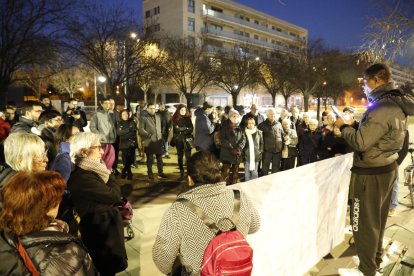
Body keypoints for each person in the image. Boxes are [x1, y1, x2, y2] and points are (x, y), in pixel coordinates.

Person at [336, 63, 414, 276]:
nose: (363, 86)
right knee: (377, 221)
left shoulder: (382, 107)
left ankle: (367, 270)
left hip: (370, 173)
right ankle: (374, 261)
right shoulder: (396, 102)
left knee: (362, 224)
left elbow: (361, 142)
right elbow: (400, 141)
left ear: (377, 80)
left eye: (365, 81)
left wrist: (343, 127)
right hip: (386, 168)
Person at [152, 151, 261, 275]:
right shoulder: (239, 196)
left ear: (190, 180)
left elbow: (162, 260)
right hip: (235, 270)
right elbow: (255, 226)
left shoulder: (178, 210)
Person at [0, 171, 97, 275]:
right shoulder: (63, 253)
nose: (59, 203)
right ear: (43, 208)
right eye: (56, 200)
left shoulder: (11, 233)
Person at [68, 132, 127, 275]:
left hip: (105, 228)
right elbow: (114, 195)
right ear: (84, 151)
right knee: (106, 269)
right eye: (98, 147)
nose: (102, 151)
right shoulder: (83, 176)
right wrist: (110, 173)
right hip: (101, 233)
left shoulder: (94, 170)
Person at [139, 102, 167, 180]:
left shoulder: (158, 117)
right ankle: (150, 173)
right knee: (150, 159)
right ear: (147, 109)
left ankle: (160, 173)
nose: (152, 110)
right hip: (149, 141)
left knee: (160, 158)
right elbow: (141, 129)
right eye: (150, 108)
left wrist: (161, 135)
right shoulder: (143, 117)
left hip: (158, 140)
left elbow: (160, 127)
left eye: (154, 108)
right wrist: (148, 135)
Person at [89, 98, 117, 170]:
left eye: (109, 103)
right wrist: (100, 136)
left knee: (110, 160)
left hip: (111, 141)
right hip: (102, 142)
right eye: (106, 103)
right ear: (101, 104)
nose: (108, 105)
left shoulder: (110, 114)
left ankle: (109, 173)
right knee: (103, 160)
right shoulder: (97, 114)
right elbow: (92, 127)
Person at [219, 109, 245, 184]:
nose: (235, 118)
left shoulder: (240, 127)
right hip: (227, 153)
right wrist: (231, 148)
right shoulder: (224, 126)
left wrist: (239, 148)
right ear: (230, 117)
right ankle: (222, 187)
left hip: (237, 154)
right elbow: (223, 139)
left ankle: (234, 187)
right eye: (233, 116)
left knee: (235, 173)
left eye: (237, 116)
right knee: (225, 172)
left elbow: (243, 139)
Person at [258, 108, 283, 175]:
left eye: (274, 114)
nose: (273, 115)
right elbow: (259, 139)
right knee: (265, 169)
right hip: (267, 151)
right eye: (271, 114)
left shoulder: (279, 124)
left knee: (276, 170)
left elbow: (282, 135)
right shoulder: (262, 125)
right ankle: (264, 184)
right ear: (267, 115)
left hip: (277, 151)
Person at [171, 104, 193, 180]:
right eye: (181, 110)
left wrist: (182, 129)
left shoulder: (188, 118)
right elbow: (176, 129)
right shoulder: (175, 118)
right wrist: (185, 128)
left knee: (188, 157)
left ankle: (189, 172)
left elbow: (191, 129)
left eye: (184, 110)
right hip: (179, 140)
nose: (183, 111)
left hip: (187, 140)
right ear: (178, 110)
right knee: (180, 156)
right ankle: (181, 170)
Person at [117, 109, 137, 180]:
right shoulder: (119, 123)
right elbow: (119, 133)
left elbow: (132, 133)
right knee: (125, 159)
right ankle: (129, 173)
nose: (125, 116)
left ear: (129, 115)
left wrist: (124, 132)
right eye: (123, 114)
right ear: (121, 116)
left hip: (131, 143)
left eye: (126, 114)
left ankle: (124, 170)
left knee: (131, 159)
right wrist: (128, 129)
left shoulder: (132, 122)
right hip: (123, 143)